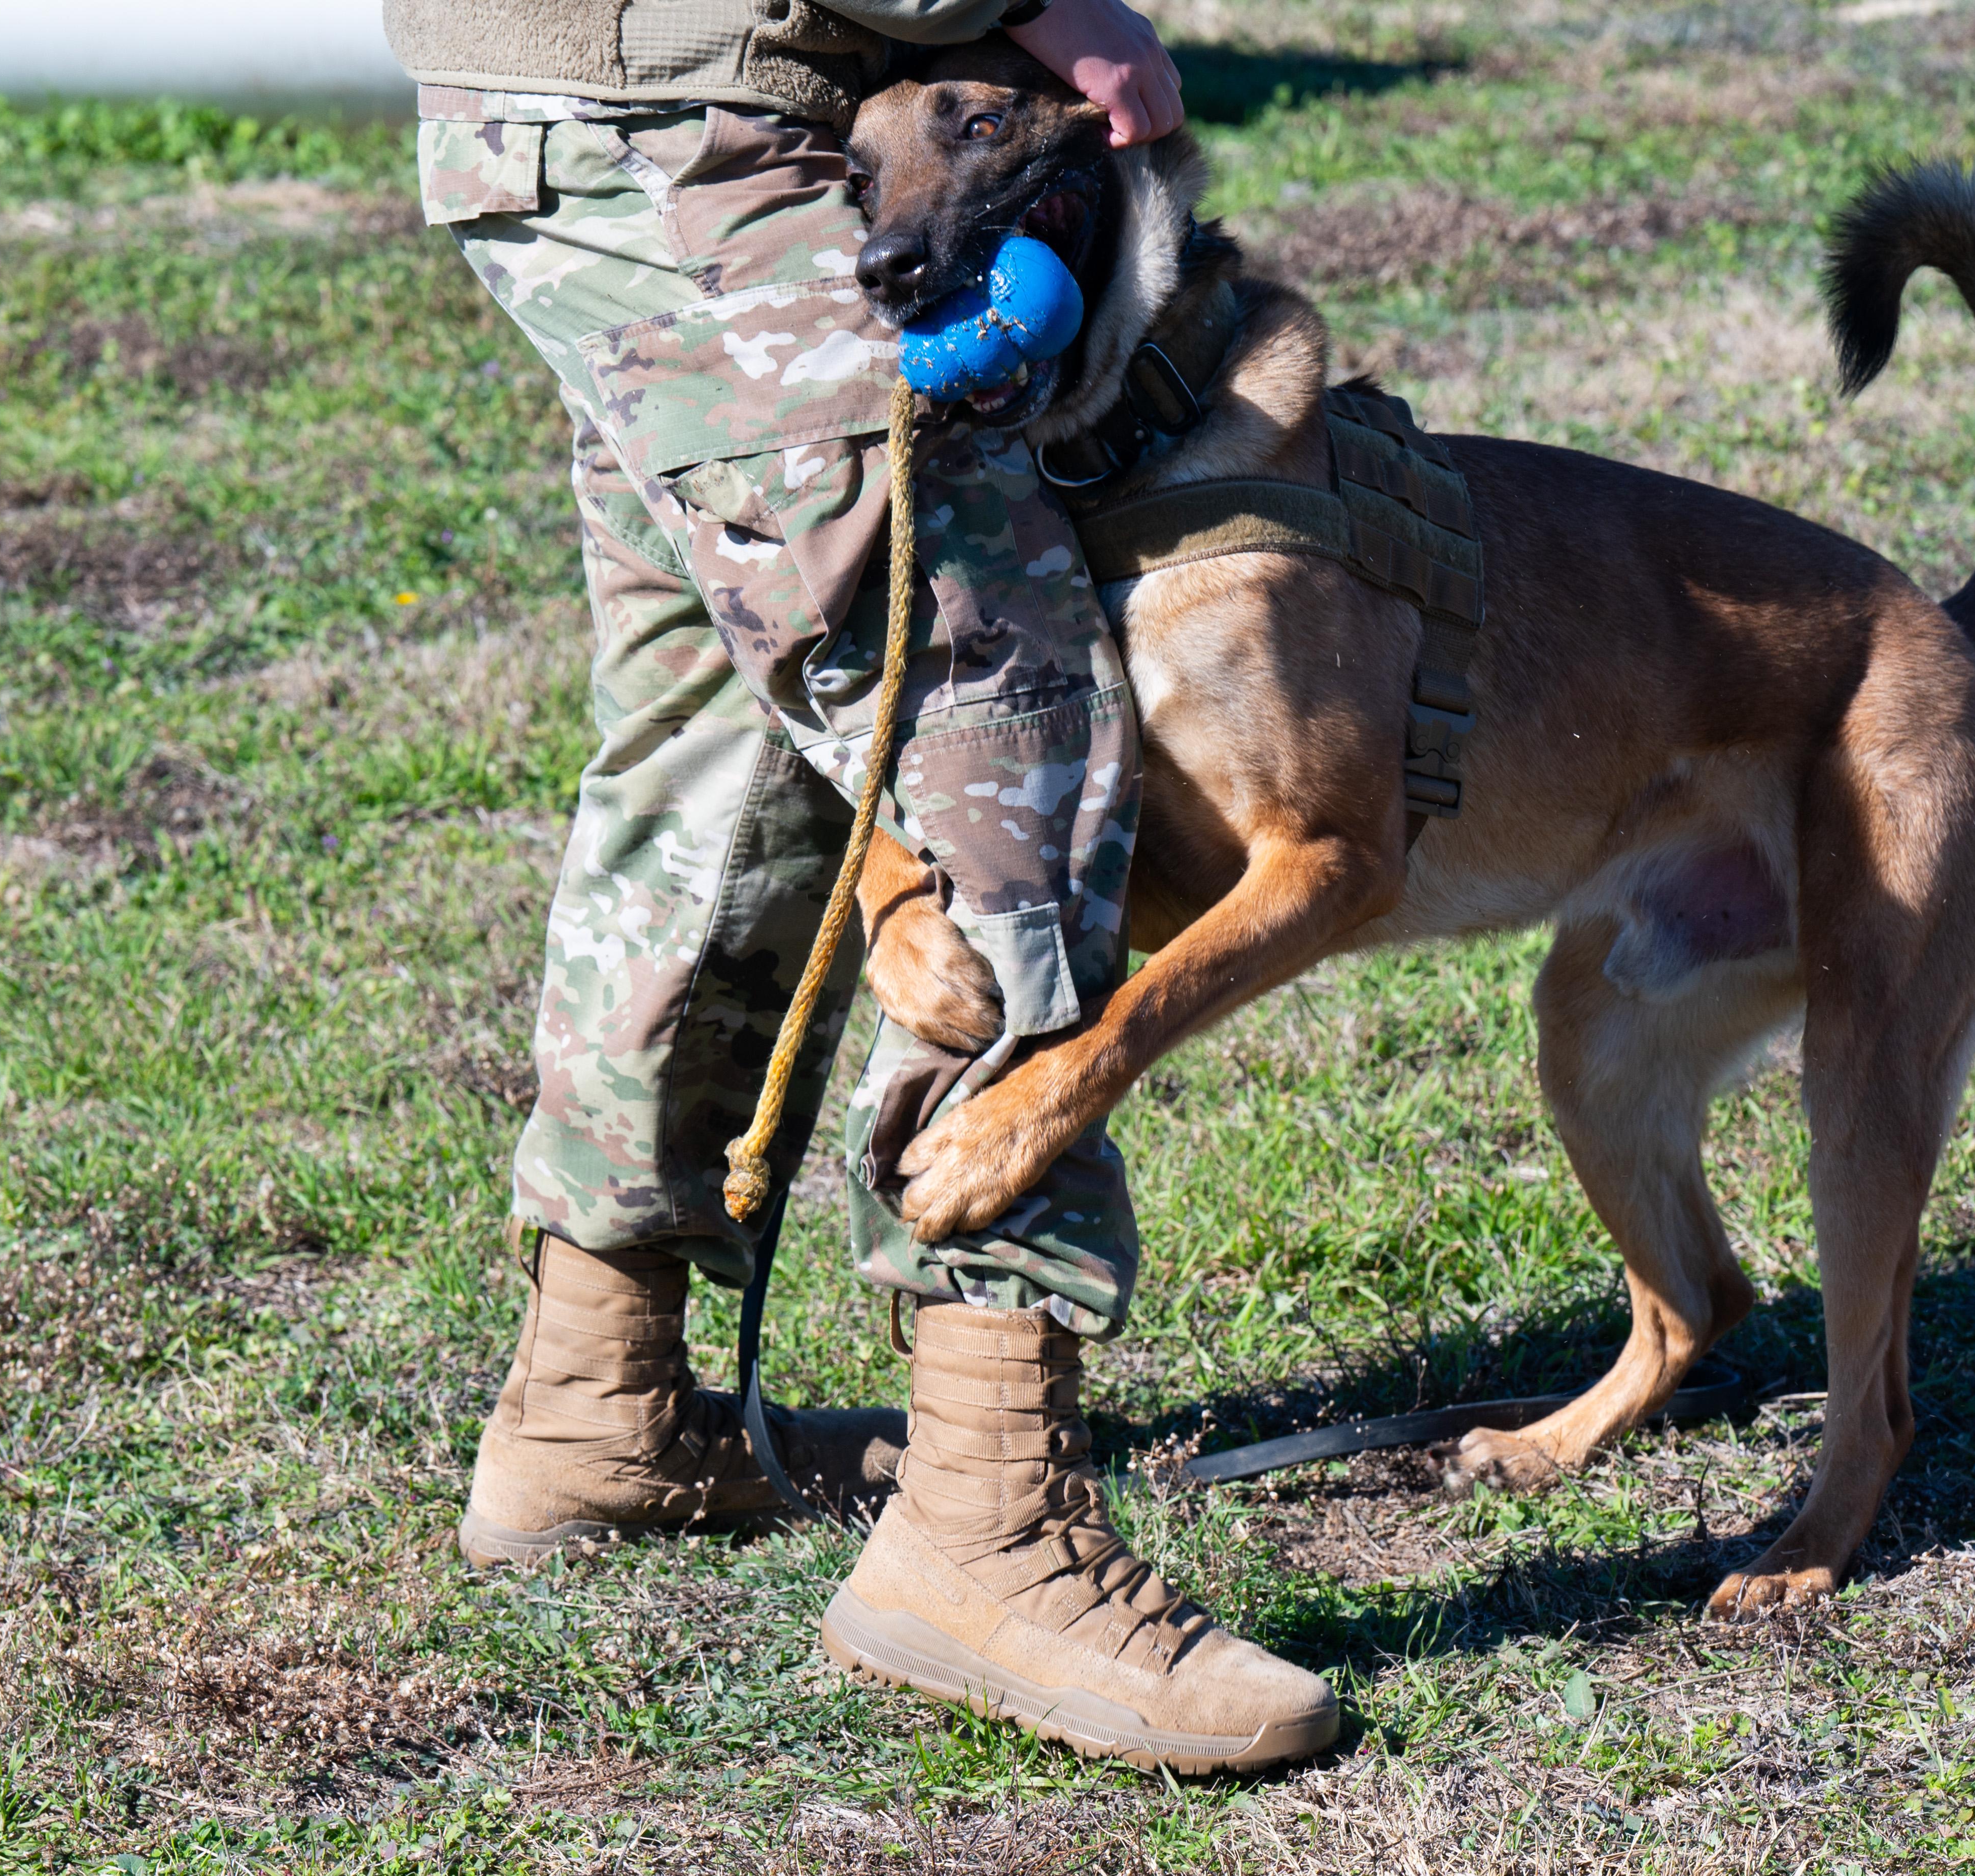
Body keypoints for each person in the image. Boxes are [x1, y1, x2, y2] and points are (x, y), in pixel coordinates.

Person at [387, 0, 1340, 1769]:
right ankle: (987, 1532)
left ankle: (600, 1399)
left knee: (728, 719)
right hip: (672, 108)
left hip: (621, 100)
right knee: (987, 673)